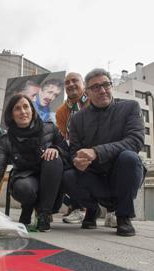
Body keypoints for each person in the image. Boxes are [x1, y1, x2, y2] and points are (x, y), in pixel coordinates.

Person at [63, 68, 145, 236]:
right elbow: (74, 150)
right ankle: (91, 210)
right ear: (87, 92)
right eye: (95, 87)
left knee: (129, 157)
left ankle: (123, 216)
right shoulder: (78, 119)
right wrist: (78, 160)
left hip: (122, 174)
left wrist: (96, 152)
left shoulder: (130, 107)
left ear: (111, 86)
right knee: (68, 175)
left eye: (106, 85)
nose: (102, 90)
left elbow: (135, 141)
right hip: (93, 176)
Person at [0, 94, 66, 232]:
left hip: (51, 177)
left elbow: (67, 152)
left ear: (32, 109)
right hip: (25, 177)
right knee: (24, 188)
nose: (23, 111)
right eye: (17, 108)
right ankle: (27, 207)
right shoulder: (6, 139)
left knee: (54, 158)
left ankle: (44, 214)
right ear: (11, 114)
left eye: (26, 106)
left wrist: (56, 149)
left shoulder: (50, 128)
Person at [55, 72, 89, 225]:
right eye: (67, 82)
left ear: (83, 84)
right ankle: (76, 207)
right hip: (73, 149)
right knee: (61, 167)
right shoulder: (61, 111)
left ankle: (112, 211)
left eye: (75, 81)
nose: (70, 84)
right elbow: (63, 135)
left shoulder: (93, 100)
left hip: (96, 147)